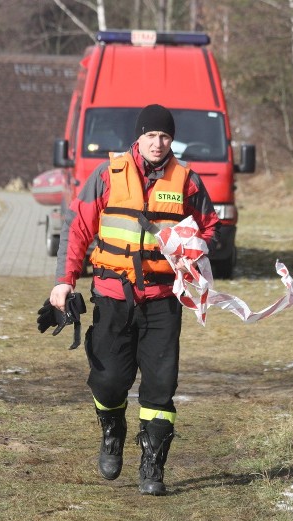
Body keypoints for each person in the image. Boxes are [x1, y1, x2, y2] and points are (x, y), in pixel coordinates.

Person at [48, 104, 220, 496]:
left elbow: (211, 228)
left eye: (165, 137)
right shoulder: (108, 174)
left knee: (160, 387)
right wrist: (64, 281)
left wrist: (194, 246)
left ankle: (152, 466)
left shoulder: (188, 180)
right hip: (112, 294)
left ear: (171, 140)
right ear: (138, 138)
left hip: (162, 299)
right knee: (108, 381)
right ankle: (112, 430)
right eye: (151, 136)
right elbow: (77, 229)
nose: (158, 143)